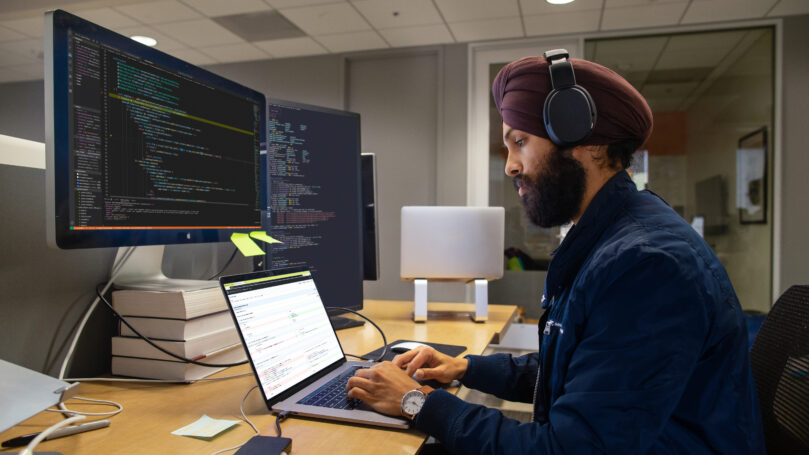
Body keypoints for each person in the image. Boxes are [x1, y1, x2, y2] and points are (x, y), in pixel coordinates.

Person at [346, 51, 765, 454]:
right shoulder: (610, 236)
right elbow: (579, 372)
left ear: (588, 142)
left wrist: (417, 403)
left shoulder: (646, 265)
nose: (510, 165)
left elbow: (567, 449)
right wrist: (465, 367)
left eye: (520, 142)